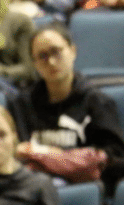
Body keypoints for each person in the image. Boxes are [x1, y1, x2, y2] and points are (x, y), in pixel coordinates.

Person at [8, 22, 124, 194]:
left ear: (73, 51)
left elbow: (114, 158)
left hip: (83, 191)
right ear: (34, 63)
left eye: (56, 51)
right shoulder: (22, 104)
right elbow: (18, 157)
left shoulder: (97, 102)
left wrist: (53, 157)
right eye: (43, 56)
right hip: (35, 189)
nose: (52, 62)